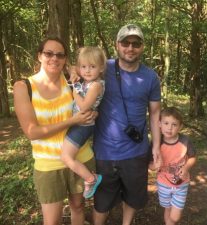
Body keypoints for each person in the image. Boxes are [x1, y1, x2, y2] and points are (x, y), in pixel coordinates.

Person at [13, 37, 96, 225]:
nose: (54, 58)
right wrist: (72, 120)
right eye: (48, 53)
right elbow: (32, 132)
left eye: (60, 55)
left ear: (65, 59)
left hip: (79, 157)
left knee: (78, 207)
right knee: (52, 221)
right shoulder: (23, 87)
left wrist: (91, 114)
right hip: (48, 164)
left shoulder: (71, 80)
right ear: (39, 56)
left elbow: (92, 93)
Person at [93, 24, 162, 225]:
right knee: (102, 200)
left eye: (136, 43)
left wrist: (156, 146)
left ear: (142, 47)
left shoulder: (150, 77)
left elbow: (155, 112)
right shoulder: (103, 69)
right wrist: (72, 70)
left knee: (133, 197)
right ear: (117, 45)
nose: (130, 48)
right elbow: (82, 68)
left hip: (136, 151)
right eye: (125, 43)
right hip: (105, 150)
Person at [61, 46, 106, 199]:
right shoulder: (86, 81)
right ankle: (89, 178)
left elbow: (84, 106)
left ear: (101, 68)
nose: (87, 71)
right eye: (84, 67)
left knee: (66, 157)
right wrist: (74, 72)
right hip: (78, 124)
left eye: (92, 67)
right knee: (67, 155)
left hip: (83, 125)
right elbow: (72, 66)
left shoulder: (96, 85)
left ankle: (91, 179)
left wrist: (74, 89)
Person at [149, 107, 196, 225]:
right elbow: (150, 165)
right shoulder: (156, 143)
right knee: (168, 208)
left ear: (180, 127)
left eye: (174, 124)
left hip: (181, 184)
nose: (169, 128)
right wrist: (155, 165)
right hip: (163, 183)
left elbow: (193, 157)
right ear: (159, 124)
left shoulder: (185, 141)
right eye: (166, 123)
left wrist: (186, 168)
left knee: (175, 217)